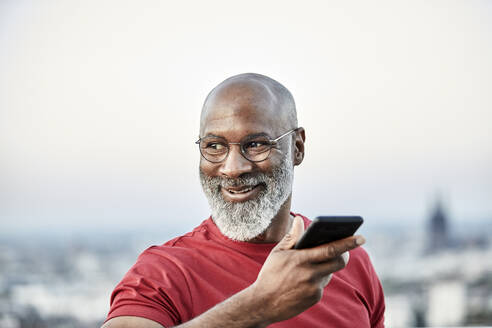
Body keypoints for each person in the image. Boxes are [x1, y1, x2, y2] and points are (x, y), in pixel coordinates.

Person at [102, 73, 385, 328]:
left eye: (256, 144)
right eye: (214, 146)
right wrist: (258, 306)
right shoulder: (163, 273)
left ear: (297, 148)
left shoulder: (344, 261)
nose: (233, 168)